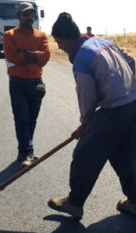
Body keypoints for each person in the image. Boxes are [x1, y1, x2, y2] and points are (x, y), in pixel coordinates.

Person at [48, 12, 136, 220]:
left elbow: (86, 97)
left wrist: (85, 124)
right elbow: (131, 62)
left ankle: (74, 203)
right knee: (125, 155)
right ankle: (135, 201)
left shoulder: (82, 58)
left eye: (59, 41)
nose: (59, 47)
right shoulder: (102, 41)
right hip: (132, 104)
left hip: (114, 110)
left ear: (69, 38)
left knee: (85, 154)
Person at [3, 2, 50, 167]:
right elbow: (13, 58)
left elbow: (45, 58)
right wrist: (34, 57)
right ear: (18, 16)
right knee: (21, 118)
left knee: (32, 119)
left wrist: (25, 53)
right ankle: (28, 152)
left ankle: (23, 151)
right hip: (18, 83)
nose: (29, 17)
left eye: (32, 14)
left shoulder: (42, 36)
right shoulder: (9, 35)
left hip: (36, 83)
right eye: (26, 14)